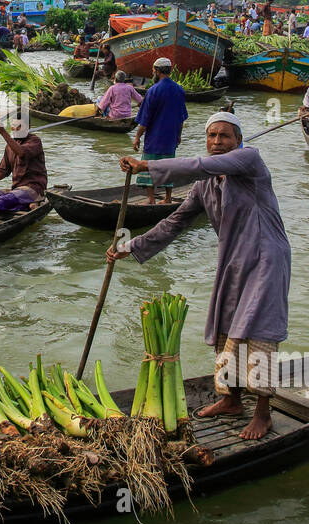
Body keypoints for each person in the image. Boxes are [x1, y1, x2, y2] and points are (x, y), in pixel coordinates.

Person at [107, 111, 291, 440]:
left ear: (238, 141)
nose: (218, 142)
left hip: (266, 257)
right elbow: (176, 221)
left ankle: (264, 412)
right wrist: (130, 246)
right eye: (212, 136)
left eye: (225, 136)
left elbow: (200, 164)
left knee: (261, 330)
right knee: (224, 328)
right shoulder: (205, 185)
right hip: (232, 259)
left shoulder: (249, 161)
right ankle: (231, 399)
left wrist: (147, 166)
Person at [132, 57, 188, 205]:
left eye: (153, 70)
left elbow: (145, 119)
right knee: (168, 166)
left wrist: (137, 137)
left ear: (157, 71)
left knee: (148, 165)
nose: (153, 73)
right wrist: (179, 136)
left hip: (155, 137)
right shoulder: (179, 89)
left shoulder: (153, 90)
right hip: (171, 136)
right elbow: (181, 117)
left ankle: (151, 199)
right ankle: (168, 198)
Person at [0, 115, 47, 222]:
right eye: (13, 127)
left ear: (28, 126)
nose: (15, 130)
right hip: (17, 190)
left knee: (4, 200)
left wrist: (3, 133)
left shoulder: (35, 141)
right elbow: (2, 172)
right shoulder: (9, 147)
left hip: (33, 188)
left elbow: (21, 152)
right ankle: (26, 205)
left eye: (19, 127)